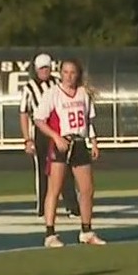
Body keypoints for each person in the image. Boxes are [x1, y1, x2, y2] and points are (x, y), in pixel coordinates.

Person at [33, 58, 106, 248]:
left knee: (87, 189)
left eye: (72, 72)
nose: (68, 76)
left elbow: (88, 121)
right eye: (65, 72)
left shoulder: (83, 93)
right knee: (54, 189)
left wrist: (94, 142)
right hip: (62, 144)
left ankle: (86, 231)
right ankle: (50, 234)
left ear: (78, 74)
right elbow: (39, 119)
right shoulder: (53, 93)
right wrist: (56, 137)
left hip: (79, 143)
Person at [18, 53, 80, 220]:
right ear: (36, 69)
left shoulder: (57, 84)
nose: (44, 71)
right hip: (41, 131)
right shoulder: (29, 88)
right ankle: (43, 208)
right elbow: (23, 113)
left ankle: (72, 206)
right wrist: (27, 139)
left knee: (65, 168)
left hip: (59, 129)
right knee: (43, 170)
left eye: (46, 68)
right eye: (41, 68)